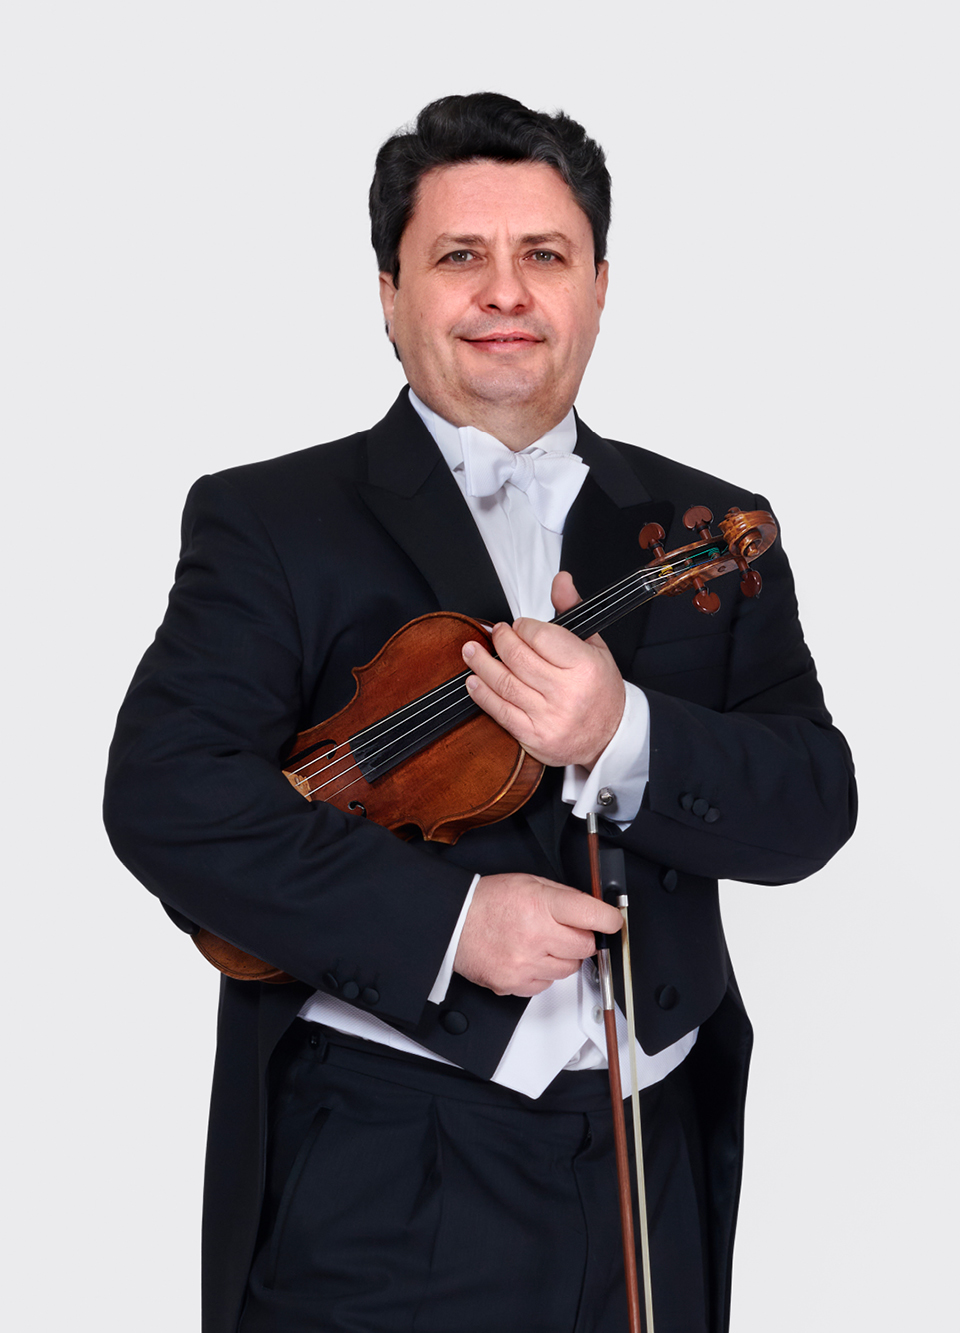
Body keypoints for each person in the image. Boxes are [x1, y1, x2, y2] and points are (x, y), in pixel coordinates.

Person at [104, 93, 856, 1333]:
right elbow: (169, 798)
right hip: (389, 1164)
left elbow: (812, 803)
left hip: (650, 1157)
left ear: (598, 288)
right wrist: (451, 925)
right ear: (389, 293)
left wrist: (622, 734)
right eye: (461, 255)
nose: (506, 291)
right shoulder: (271, 520)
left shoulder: (710, 528)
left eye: (545, 255)